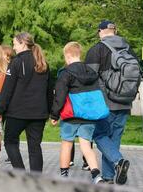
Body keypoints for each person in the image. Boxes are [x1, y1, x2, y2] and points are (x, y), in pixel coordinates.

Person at [85, 20, 135, 184]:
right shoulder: (129, 49)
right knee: (114, 139)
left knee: (99, 135)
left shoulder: (96, 50)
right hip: (125, 101)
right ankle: (108, 177)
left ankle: (119, 161)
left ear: (100, 31)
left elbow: (89, 79)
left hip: (104, 103)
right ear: (115, 30)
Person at [0, 32, 51, 172]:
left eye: (14, 44)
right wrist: (49, 111)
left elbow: (7, 89)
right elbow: (50, 91)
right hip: (39, 113)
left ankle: (20, 174)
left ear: (23, 43)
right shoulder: (43, 63)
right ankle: (36, 181)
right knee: (35, 147)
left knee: (10, 142)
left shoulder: (16, 62)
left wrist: (0, 110)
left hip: (17, 113)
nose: (14, 48)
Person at [50, 42, 103, 184]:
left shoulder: (66, 73)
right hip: (89, 115)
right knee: (86, 145)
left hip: (71, 116)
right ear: (79, 54)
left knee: (67, 144)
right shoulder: (91, 72)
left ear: (67, 55)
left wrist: (54, 115)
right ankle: (96, 175)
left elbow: (59, 96)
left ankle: (64, 176)